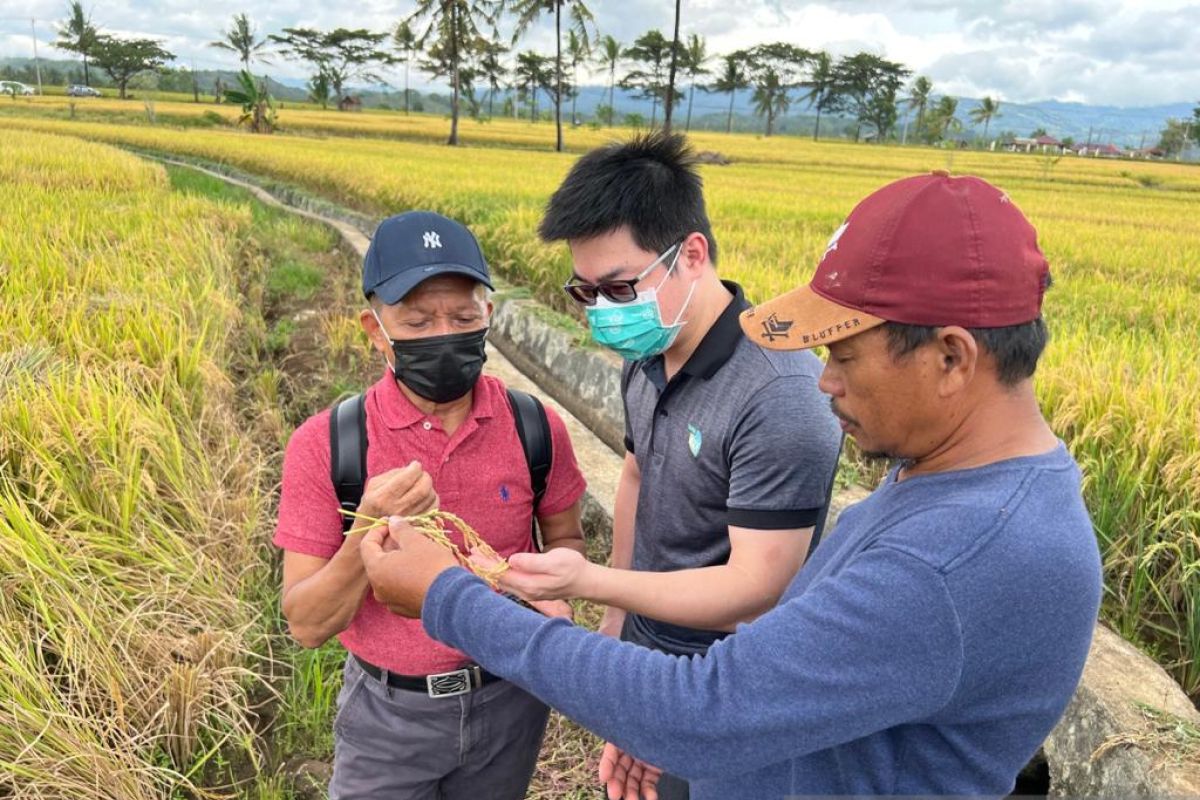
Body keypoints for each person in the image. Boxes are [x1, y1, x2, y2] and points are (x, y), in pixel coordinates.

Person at [358, 172, 1104, 800]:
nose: (825, 381)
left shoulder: (954, 558)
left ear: (951, 357)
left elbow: (704, 702)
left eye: (843, 355)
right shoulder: (942, 482)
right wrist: (678, 731)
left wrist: (448, 598)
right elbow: (763, 688)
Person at [486, 132, 842, 799]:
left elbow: (756, 588)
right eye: (585, 293)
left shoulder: (779, 395)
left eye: (619, 287)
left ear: (692, 256)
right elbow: (637, 474)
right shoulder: (648, 356)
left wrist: (592, 583)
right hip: (651, 649)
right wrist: (621, 637)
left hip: (726, 681)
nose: (603, 314)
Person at [273, 210, 588, 800]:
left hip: (509, 701)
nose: (444, 334)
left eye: (464, 316)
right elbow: (307, 623)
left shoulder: (535, 428)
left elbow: (565, 540)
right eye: (417, 321)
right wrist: (366, 528)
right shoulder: (329, 444)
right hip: (387, 717)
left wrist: (547, 592)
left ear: (488, 315)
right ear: (375, 329)